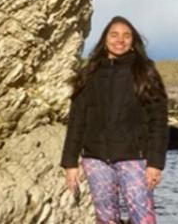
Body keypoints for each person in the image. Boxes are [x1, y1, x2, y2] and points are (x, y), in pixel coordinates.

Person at [61, 16, 169, 224]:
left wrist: (155, 163)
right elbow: (77, 121)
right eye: (114, 35)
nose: (120, 40)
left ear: (132, 41)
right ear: (105, 39)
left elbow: (159, 121)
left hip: (134, 159)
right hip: (95, 159)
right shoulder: (89, 74)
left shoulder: (145, 72)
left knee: (143, 218)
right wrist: (69, 163)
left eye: (126, 36)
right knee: (106, 218)